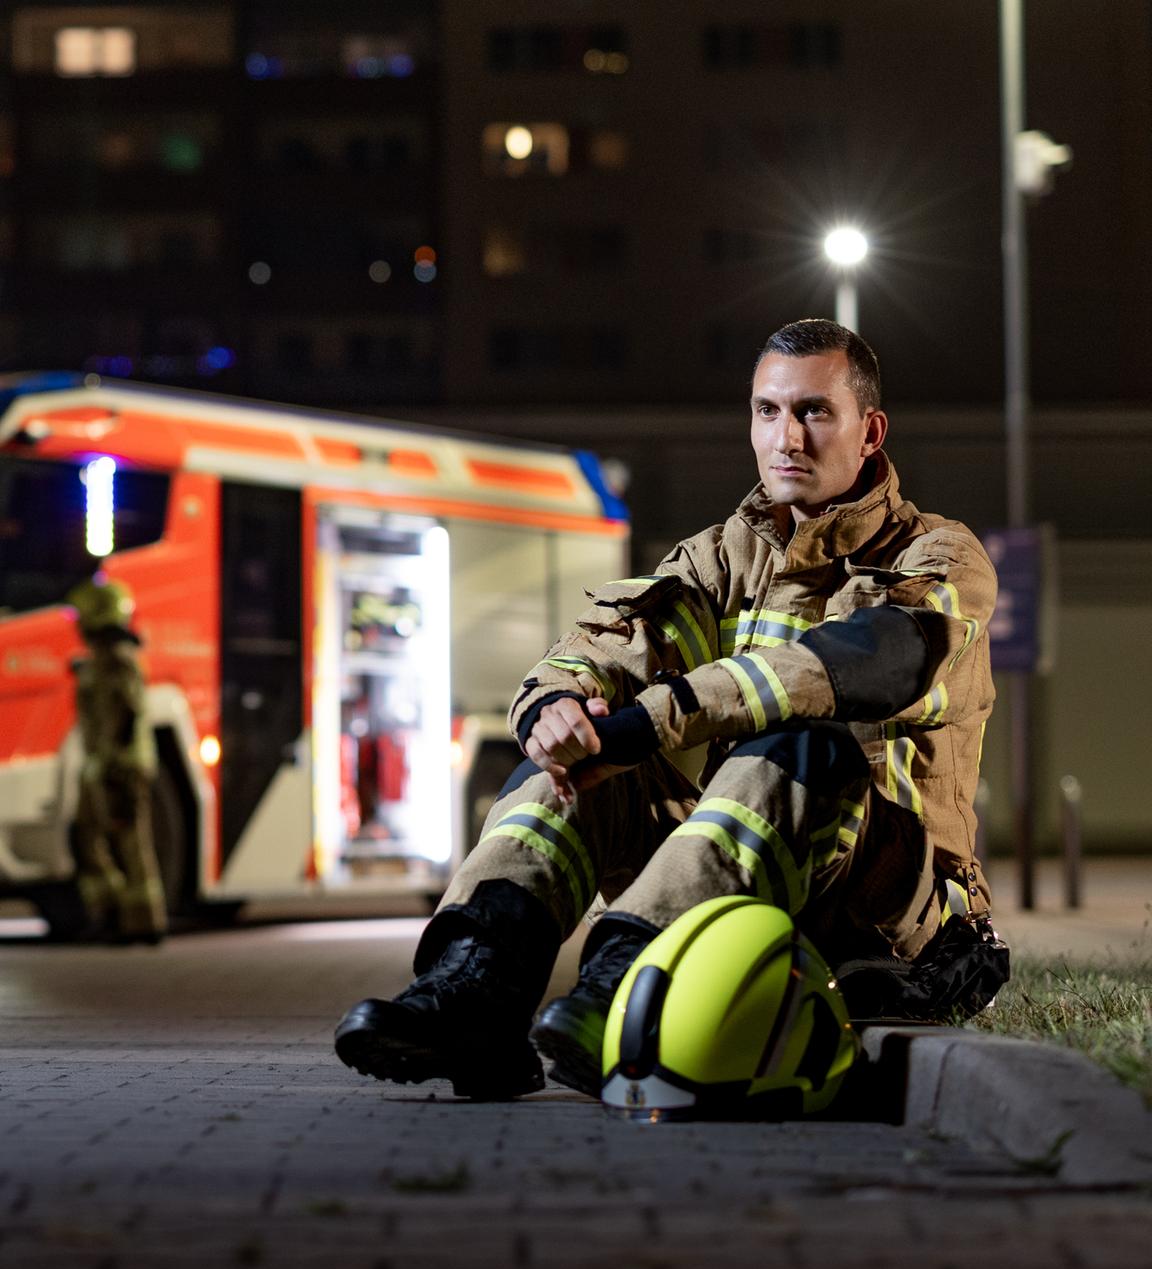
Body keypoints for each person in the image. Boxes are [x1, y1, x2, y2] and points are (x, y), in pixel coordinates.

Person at [334, 318, 1008, 1099]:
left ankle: (624, 987)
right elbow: (605, 646)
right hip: (748, 877)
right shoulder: (720, 557)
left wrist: (654, 719)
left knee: (801, 747)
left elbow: (872, 663)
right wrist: (556, 713)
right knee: (579, 772)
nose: (787, 436)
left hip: (894, 906)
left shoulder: (937, 554)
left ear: (870, 431)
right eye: (767, 411)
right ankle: (476, 986)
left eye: (815, 411)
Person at [68, 575, 168, 943]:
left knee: (129, 840)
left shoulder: (118, 660)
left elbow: (127, 712)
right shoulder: (99, 660)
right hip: (103, 765)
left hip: (120, 766)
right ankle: (110, 912)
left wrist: (113, 763)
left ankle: (145, 923)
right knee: (87, 837)